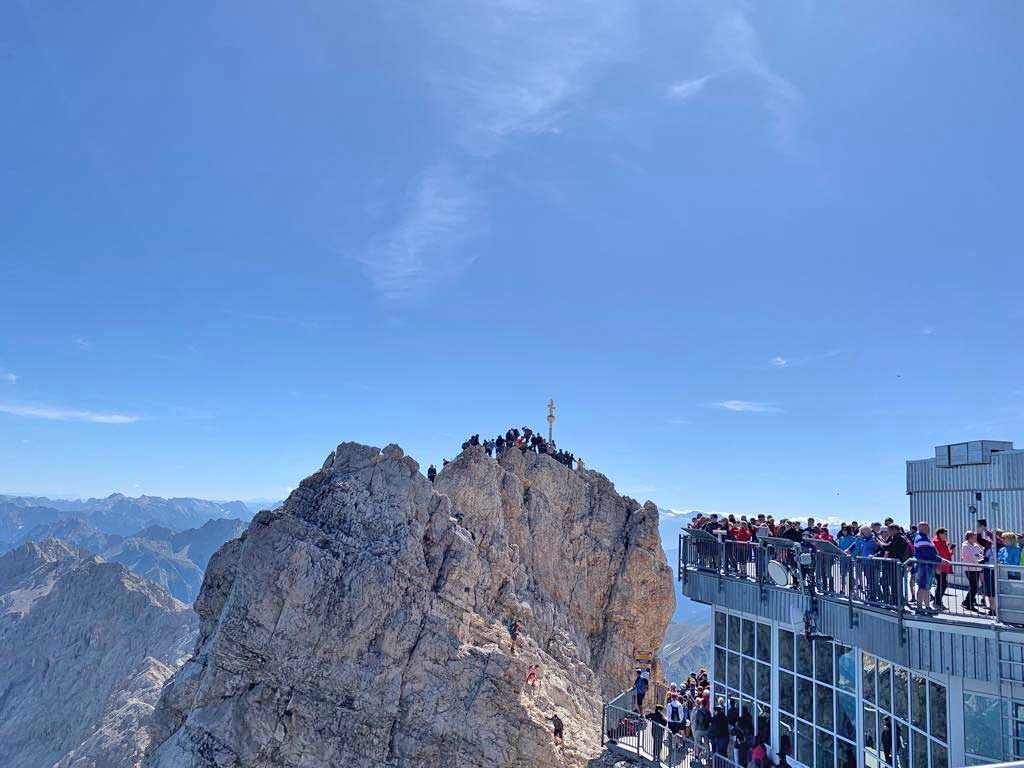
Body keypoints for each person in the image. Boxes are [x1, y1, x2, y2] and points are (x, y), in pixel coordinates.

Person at [912, 521, 941, 614]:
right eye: (927, 527)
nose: (929, 529)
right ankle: (920, 607)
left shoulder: (923, 538)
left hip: (927, 565)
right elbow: (928, 554)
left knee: (926, 587)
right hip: (925, 566)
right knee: (923, 587)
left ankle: (927, 606)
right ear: (921, 528)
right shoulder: (921, 538)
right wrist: (940, 560)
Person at [961, 531, 985, 612]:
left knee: (974, 587)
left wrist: (978, 556)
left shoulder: (975, 545)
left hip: (977, 568)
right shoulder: (965, 546)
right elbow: (972, 557)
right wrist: (978, 557)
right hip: (969, 569)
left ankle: (967, 602)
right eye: (974, 537)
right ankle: (969, 603)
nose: (976, 539)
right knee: (974, 587)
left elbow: (981, 554)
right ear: (970, 537)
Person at [932, 527, 954, 609]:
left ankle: (937, 602)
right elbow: (935, 555)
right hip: (939, 567)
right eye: (945, 534)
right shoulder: (935, 542)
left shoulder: (943, 542)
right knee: (942, 584)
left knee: (942, 584)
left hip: (944, 567)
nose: (946, 535)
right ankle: (937, 602)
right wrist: (936, 567)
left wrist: (952, 551)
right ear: (940, 534)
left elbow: (946, 555)